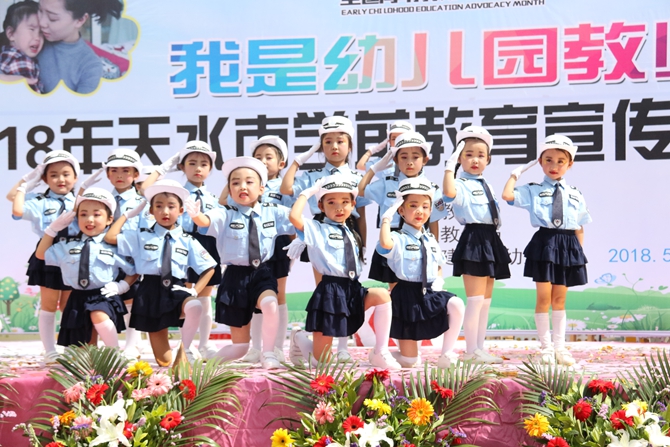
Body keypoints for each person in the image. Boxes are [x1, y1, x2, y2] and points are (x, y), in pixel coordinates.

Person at [186, 157, 295, 369]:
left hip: (262, 273)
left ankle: (269, 353)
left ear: (262, 188)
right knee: (240, 348)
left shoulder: (273, 211)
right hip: (235, 278)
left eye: (249, 182)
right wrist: (197, 215)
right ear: (229, 189)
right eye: (235, 183)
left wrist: (302, 232)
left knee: (270, 303)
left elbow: (297, 221)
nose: (242, 187)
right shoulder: (225, 213)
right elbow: (207, 221)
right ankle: (206, 368)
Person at [280, 116, 371, 361]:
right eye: (327, 142)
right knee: (328, 290)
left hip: (350, 230)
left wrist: (363, 244)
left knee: (349, 289)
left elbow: (361, 215)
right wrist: (299, 161)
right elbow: (286, 189)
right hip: (320, 230)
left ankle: (343, 347)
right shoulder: (314, 175)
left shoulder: (356, 177)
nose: (334, 146)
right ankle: (319, 344)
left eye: (340, 141)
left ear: (350, 145)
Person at [287, 175, 401, 370]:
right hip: (330, 292)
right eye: (331, 202)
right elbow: (294, 218)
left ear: (353, 205)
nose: (339, 208)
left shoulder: (350, 230)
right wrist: (308, 193)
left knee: (382, 295)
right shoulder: (317, 228)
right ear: (321, 206)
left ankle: (380, 351)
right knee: (321, 363)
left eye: (345, 202)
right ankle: (298, 337)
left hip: (352, 288)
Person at [502, 134, 591, 366]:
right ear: (540, 162)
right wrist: (515, 174)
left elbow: (580, 225)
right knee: (543, 298)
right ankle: (546, 348)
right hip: (545, 243)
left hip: (569, 246)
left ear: (570, 164)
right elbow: (507, 196)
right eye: (548, 160)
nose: (554, 165)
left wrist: (578, 253)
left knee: (560, 299)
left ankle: (560, 348)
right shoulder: (533, 189)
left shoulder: (576, 193)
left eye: (561, 161)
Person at [104, 179, 215, 366]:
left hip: (176, 290)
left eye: (171, 206)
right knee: (164, 362)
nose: (165, 211)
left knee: (195, 306)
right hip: (150, 293)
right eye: (159, 206)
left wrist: (195, 290)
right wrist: (126, 215)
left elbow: (209, 268)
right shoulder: (141, 236)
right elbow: (110, 237)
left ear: (181, 210)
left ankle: (186, 348)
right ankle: (170, 354)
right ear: (151, 211)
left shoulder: (187, 240)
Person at [142, 141, 222, 360]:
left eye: (204, 164)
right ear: (181, 167)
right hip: (179, 244)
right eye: (192, 163)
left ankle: (203, 344)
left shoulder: (214, 198)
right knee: (180, 297)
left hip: (206, 245)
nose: (198, 168)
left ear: (210, 168)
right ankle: (183, 346)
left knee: (204, 298)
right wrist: (162, 169)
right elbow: (144, 190)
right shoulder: (175, 193)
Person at [377, 177, 465, 368]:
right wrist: (386, 219)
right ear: (401, 210)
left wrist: (439, 282)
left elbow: (439, 263)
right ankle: (378, 353)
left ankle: (447, 354)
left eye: (425, 207)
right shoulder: (397, 237)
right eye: (413, 205)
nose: (420, 211)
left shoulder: (430, 239)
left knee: (456, 303)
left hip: (428, 292)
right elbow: (384, 244)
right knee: (410, 361)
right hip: (406, 298)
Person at [36, 187, 137, 349]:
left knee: (98, 315)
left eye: (96, 215)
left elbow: (134, 269)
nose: (89, 219)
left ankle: (114, 353)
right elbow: (41, 254)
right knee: (84, 350)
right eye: (83, 214)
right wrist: (52, 230)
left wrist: (122, 286)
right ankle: (91, 357)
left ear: (109, 219)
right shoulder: (67, 246)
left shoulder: (115, 246)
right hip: (77, 297)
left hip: (103, 295)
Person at [443, 126, 511, 364]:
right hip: (474, 238)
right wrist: (449, 167)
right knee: (474, 299)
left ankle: (479, 348)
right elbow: (448, 194)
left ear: (488, 159)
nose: (475, 160)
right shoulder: (460, 182)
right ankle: (471, 350)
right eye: (469, 154)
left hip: (491, 238)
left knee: (485, 301)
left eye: (481, 155)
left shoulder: (486, 184)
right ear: (460, 158)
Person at [8, 150, 79, 363]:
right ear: (45, 179)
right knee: (49, 304)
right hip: (48, 252)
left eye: (66, 174)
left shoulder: (81, 201)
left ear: (75, 177)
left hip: (74, 255)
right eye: (53, 175)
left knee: (69, 305)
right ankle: (50, 351)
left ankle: (71, 349)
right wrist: (26, 181)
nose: (60, 179)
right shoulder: (39, 200)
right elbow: (14, 201)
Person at [78, 148, 146, 359]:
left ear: (136, 174)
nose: (119, 175)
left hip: (129, 257)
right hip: (102, 257)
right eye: (114, 170)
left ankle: (132, 345)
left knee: (131, 300)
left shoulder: (143, 203)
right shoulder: (102, 199)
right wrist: (82, 189)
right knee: (102, 300)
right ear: (107, 174)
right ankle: (101, 347)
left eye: (126, 170)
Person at [358, 131, 448, 289]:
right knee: (395, 290)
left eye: (415, 157)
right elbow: (361, 191)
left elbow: (433, 222)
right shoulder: (387, 183)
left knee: (419, 288)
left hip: (419, 239)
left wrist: (434, 250)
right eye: (404, 157)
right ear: (395, 160)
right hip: (392, 239)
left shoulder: (432, 188)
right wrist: (374, 169)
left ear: (425, 160)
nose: (409, 162)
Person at [238, 136, 293, 364]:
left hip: (278, 244)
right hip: (252, 243)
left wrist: (293, 247)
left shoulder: (284, 187)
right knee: (255, 296)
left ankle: (277, 347)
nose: (262, 161)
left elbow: (292, 219)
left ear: (281, 164)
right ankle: (256, 348)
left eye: (268, 157)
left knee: (278, 295)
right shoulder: (247, 184)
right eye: (257, 157)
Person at [37, 0, 123, 93]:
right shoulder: (33, 35)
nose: (41, 22)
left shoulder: (90, 66)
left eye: (52, 18)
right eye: (40, 11)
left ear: (80, 20)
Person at [0, 0, 44, 92]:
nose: (37, 37)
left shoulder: (6, 55)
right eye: (31, 29)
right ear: (11, 34)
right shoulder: (21, 60)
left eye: (41, 32)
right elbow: (30, 96)